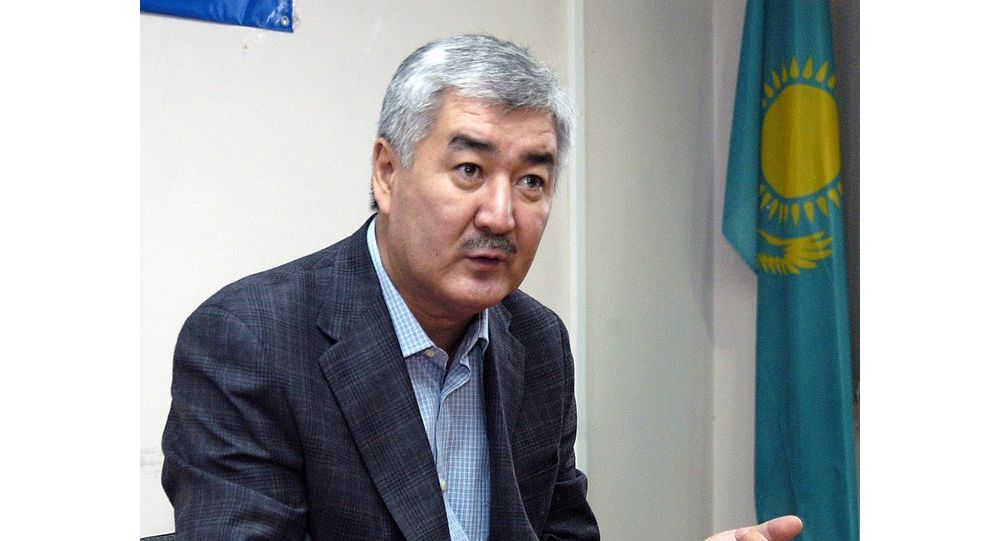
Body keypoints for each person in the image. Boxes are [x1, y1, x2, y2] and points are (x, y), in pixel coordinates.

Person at [161, 34, 802, 541]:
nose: (501, 215)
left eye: (531, 182)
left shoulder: (537, 340)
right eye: (470, 170)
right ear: (387, 173)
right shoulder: (250, 341)